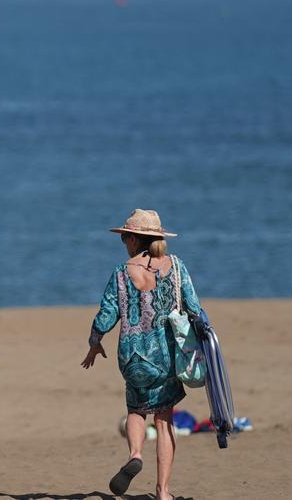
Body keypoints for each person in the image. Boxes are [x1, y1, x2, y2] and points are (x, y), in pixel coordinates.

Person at [81, 209, 201, 500]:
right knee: (164, 419)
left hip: (132, 356)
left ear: (134, 239)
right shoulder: (176, 266)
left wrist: (94, 342)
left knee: (136, 410)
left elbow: (106, 315)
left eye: (125, 237)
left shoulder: (122, 273)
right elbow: (195, 308)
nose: (123, 242)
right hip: (166, 355)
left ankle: (136, 453)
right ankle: (163, 492)